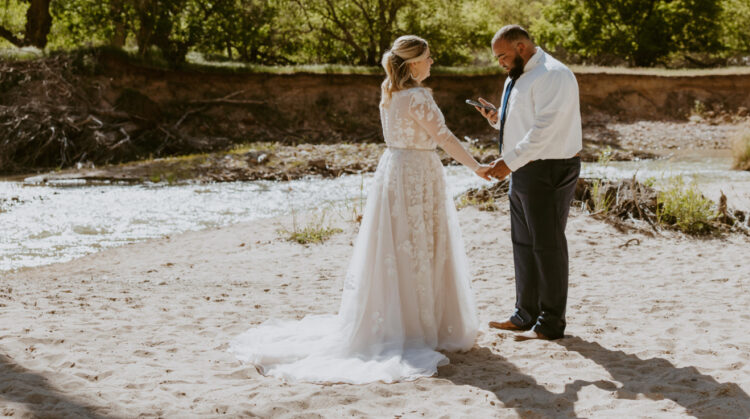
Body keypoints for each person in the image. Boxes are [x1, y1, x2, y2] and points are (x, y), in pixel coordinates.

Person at [231, 35, 491, 383]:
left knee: (398, 246)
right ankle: (421, 327)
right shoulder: (417, 96)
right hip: (416, 173)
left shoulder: (391, 94)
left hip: (396, 170)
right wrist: (478, 167)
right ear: (413, 63)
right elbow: (444, 138)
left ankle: (408, 322)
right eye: (429, 57)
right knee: (418, 246)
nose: (432, 63)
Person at [472, 25, 582, 341]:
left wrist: (507, 162)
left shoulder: (554, 75)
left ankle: (550, 323)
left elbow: (544, 131)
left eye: (503, 55)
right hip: (524, 169)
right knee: (523, 243)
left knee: (547, 245)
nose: (500, 63)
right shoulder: (516, 77)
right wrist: (497, 119)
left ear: (521, 46)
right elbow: (524, 124)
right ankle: (524, 315)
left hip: (550, 168)